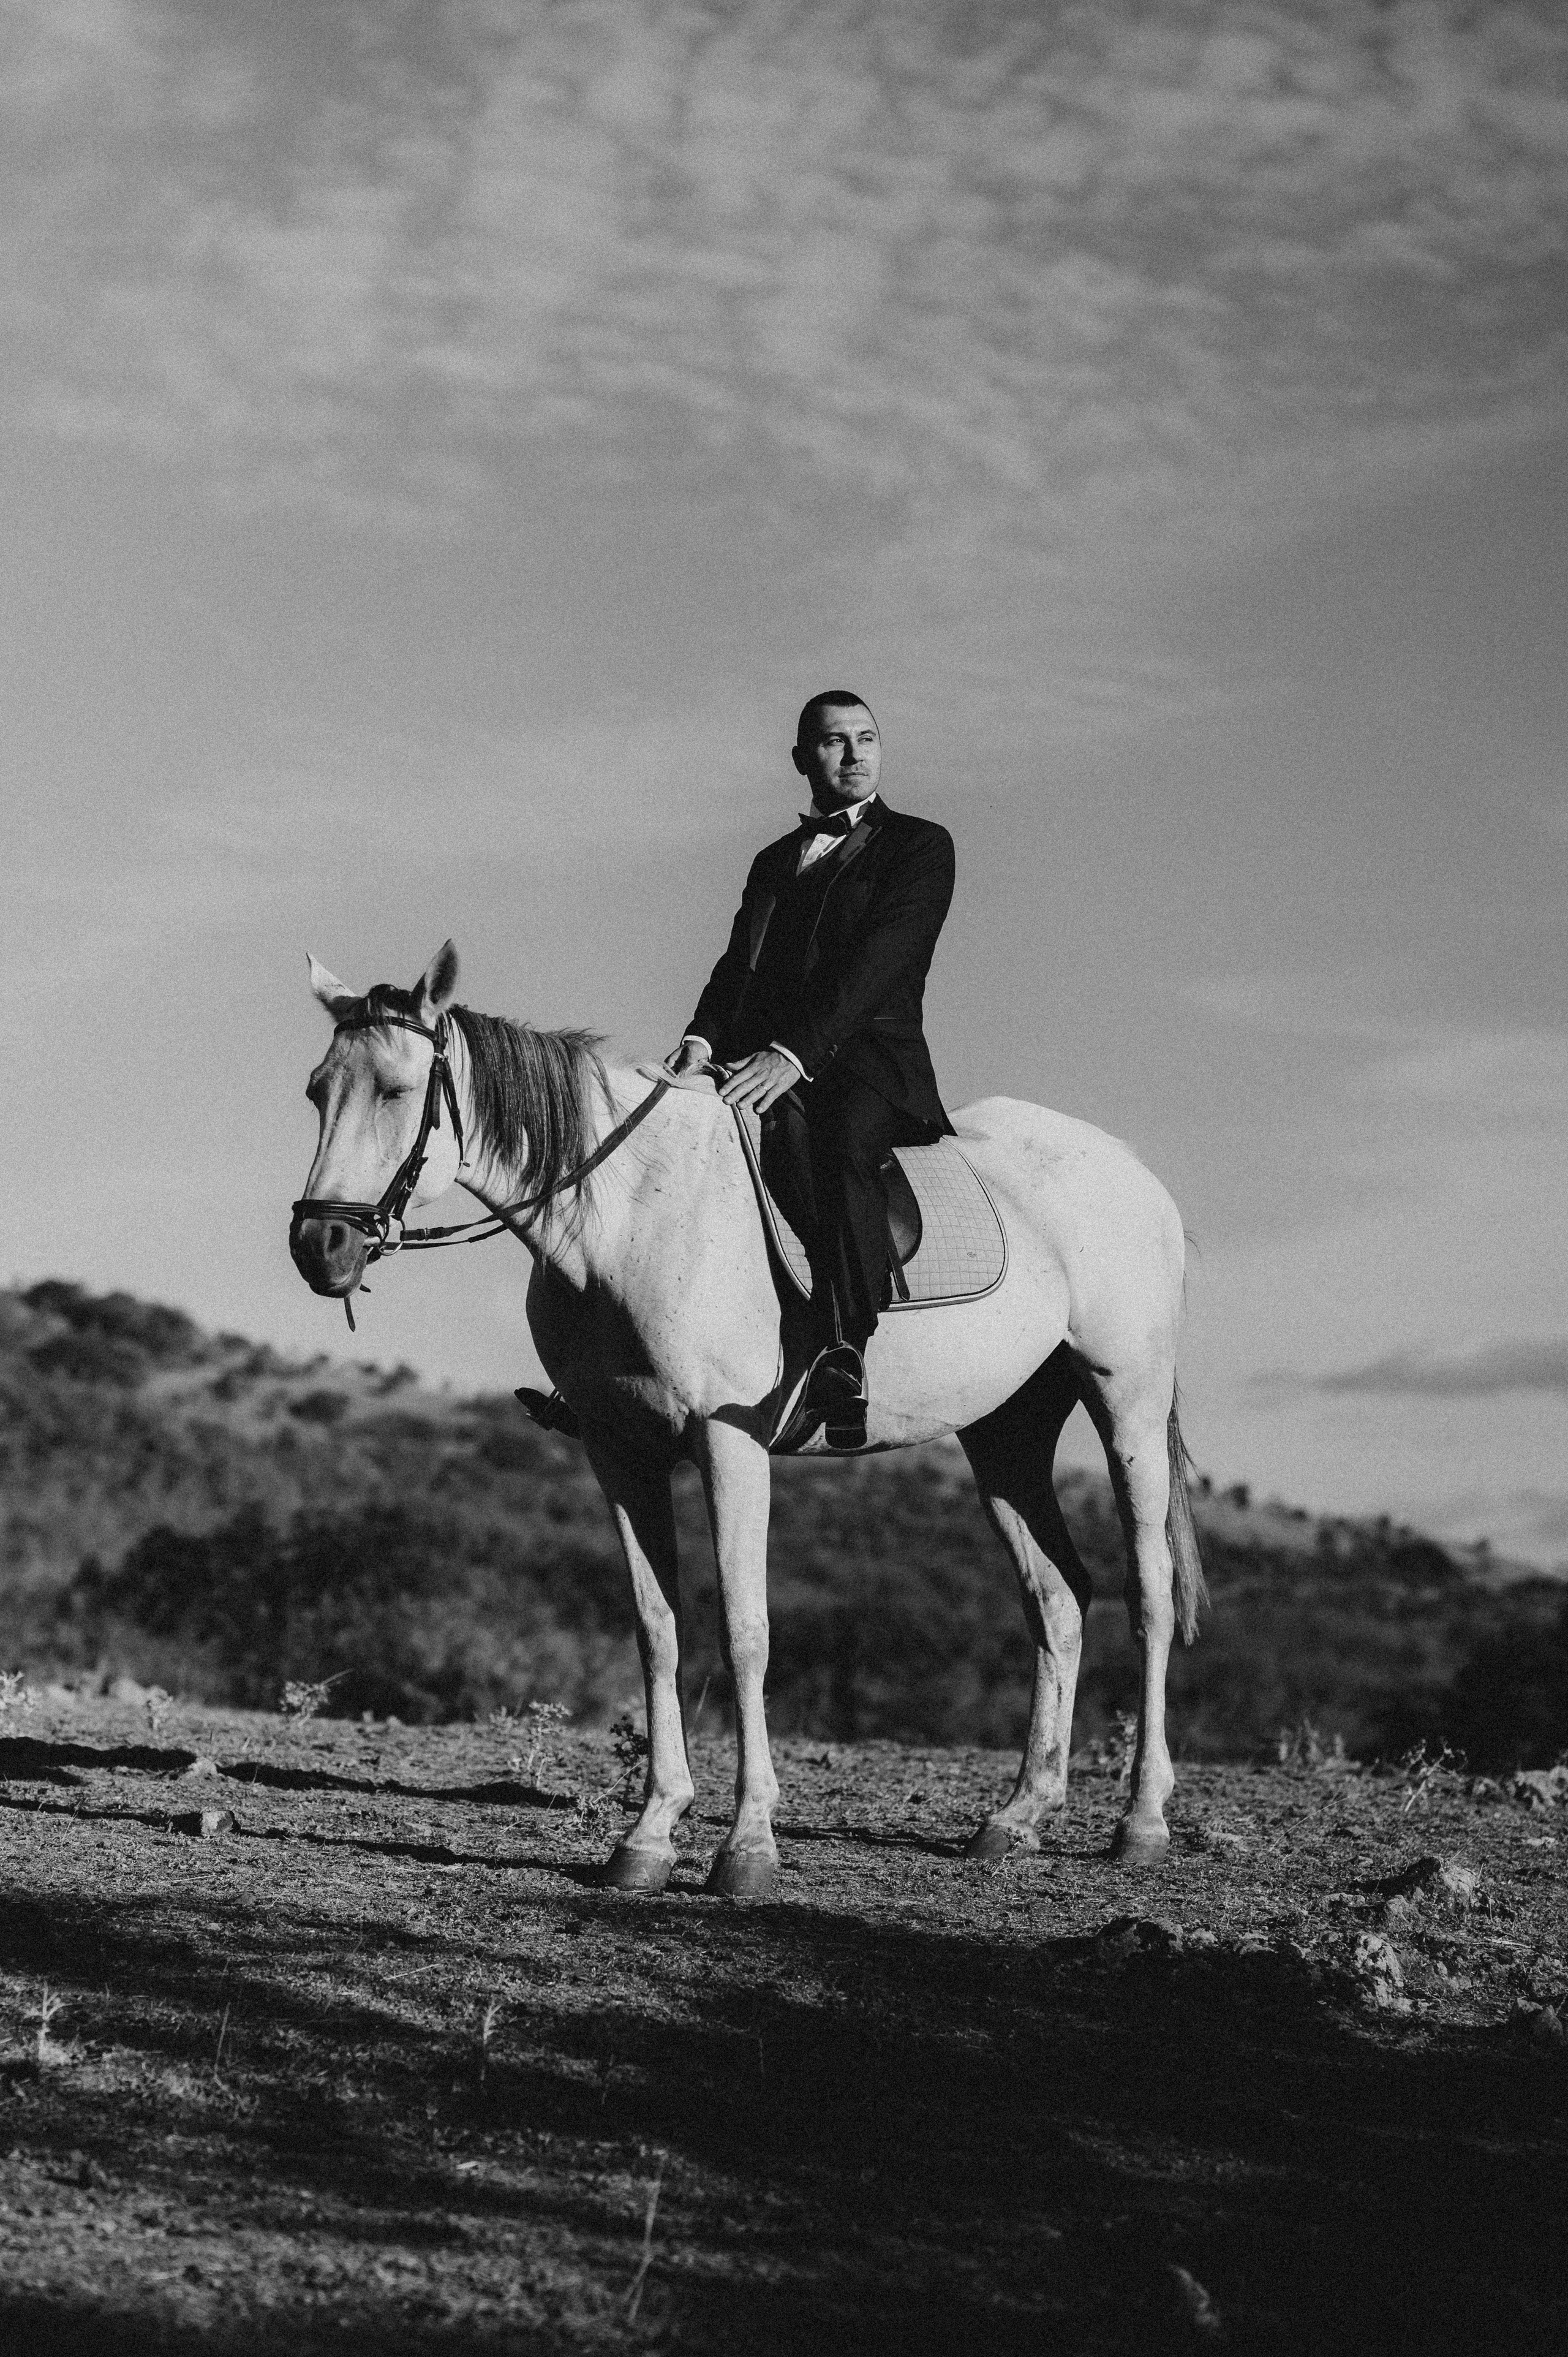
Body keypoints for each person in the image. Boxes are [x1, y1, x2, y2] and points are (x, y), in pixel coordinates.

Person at [670, 690, 954, 1447]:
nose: (856, 754)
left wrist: (794, 1056)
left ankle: (843, 1350)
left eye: (867, 738)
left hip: (868, 1063)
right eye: (834, 742)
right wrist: (700, 1040)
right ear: (804, 759)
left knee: (831, 1144)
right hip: (758, 1057)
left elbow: (875, 968)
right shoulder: (771, 860)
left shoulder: (921, 845)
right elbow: (741, 966)